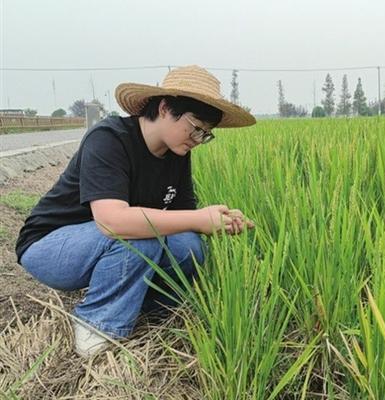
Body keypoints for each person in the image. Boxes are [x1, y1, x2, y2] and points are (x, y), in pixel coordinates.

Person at [15, 65, 256, 357]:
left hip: (104, 244)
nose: (197, 139)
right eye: (195, 127)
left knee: (191, 245)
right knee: (143, 236)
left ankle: (145, 309)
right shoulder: (109, 138)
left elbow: (182, 221)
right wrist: (200, 218)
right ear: (165, 107)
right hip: (51, 247)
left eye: (206, 134)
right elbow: (112, 221)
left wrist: (221, 222)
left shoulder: (177, 153)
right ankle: (97, 323)